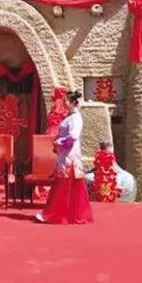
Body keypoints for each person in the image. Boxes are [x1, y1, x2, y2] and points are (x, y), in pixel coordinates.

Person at [35, 90, 94, 224]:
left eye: (66, 100)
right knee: (67, 186)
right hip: (65, 154)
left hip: (70, 155)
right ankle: (69, 214)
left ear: (73, 102)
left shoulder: (76, 118)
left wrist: (60, 142)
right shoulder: (70, 116)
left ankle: (55, 214)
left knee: (64, 186)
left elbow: (73, 136)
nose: (64, 103)